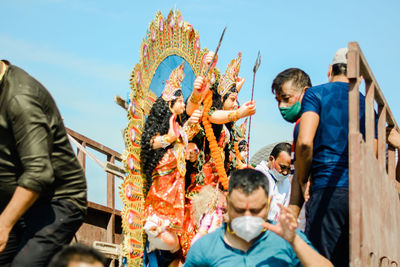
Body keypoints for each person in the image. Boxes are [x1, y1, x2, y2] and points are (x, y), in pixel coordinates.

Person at [0, 60, 87, 266]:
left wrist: (4, 224)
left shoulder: (20, 98)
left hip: (56, 202)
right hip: (10, 202)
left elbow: (38, 172)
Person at [295, 47, 369, 266]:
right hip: (360, 195)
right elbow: (373, 153)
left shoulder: (315, 94)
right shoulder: (366, 103)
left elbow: (305, 142)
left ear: (330, 70)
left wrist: (302, 179)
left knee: (320, 260)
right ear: (360, 77)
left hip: (326, 190)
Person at [184, 168, 332, 267]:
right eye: (239, 210)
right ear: (228, 203)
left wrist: (294, 242)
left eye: (255, 211)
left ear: (268, 205)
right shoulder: (206, 247)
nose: (247, 217)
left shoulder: (288, 240)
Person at [140, 63, 202, 264]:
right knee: (164, 232)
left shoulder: (179, 127)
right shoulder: (164, 127)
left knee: (177, 237)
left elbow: (185, 144)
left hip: (178, 187)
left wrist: (190, 152)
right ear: (170, 103)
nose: (183, 103)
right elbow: (149, 143)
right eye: (180, 99)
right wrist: (169, 138)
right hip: (162, 184)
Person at [271, 68, 312, 229]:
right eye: (278, 101)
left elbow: (305, 147)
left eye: (286, 99)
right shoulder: (299, 124)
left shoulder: (308, 123)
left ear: (306, 92)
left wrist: (303, 181)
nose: (281, 106)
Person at [255, 142, 292, 222]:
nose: (285, 172)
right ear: (271, 159)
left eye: (289, 169)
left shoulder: (286, 183)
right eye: (282, 167)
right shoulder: (257, 175)